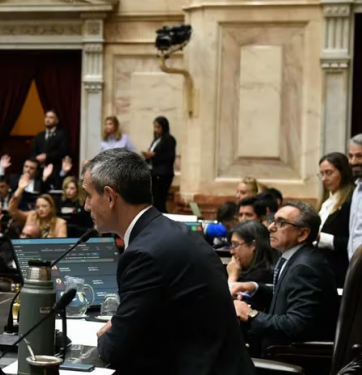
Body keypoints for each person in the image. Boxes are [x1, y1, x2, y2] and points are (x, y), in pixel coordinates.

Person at [82, 148, 254, 374]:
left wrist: (107, 335)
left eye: (88, 195)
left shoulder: (143, 253)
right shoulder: (175, 231)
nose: (86, 206)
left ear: (110, 197)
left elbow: (117, 348)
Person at [231, 202, 339, 353]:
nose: (270, 227)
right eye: (273, 221)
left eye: (281, 223)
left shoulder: (305, 268)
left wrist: (250, 314)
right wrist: (255, 287)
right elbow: (285, 293)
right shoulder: (296, 258)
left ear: (302, 234)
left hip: (288, 357)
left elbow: (296, 325)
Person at [316, 152, 353, 287]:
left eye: (329, 173)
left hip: (340, 270)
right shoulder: (326, 201)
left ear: (342, 172)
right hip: (323, 268)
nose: (324, 178)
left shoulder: (350, 202)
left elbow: (351, 241)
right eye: (322, 174)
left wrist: (322, 238)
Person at [141, 116, 176, 213]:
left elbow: (169, 157)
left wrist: (154, 155)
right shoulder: (156, 140)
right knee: (154, 201)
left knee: (160, 201)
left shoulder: (169, 140)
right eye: (155, 127)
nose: (156, 129)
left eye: (158, 127)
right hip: (154, 173)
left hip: (163, 175)